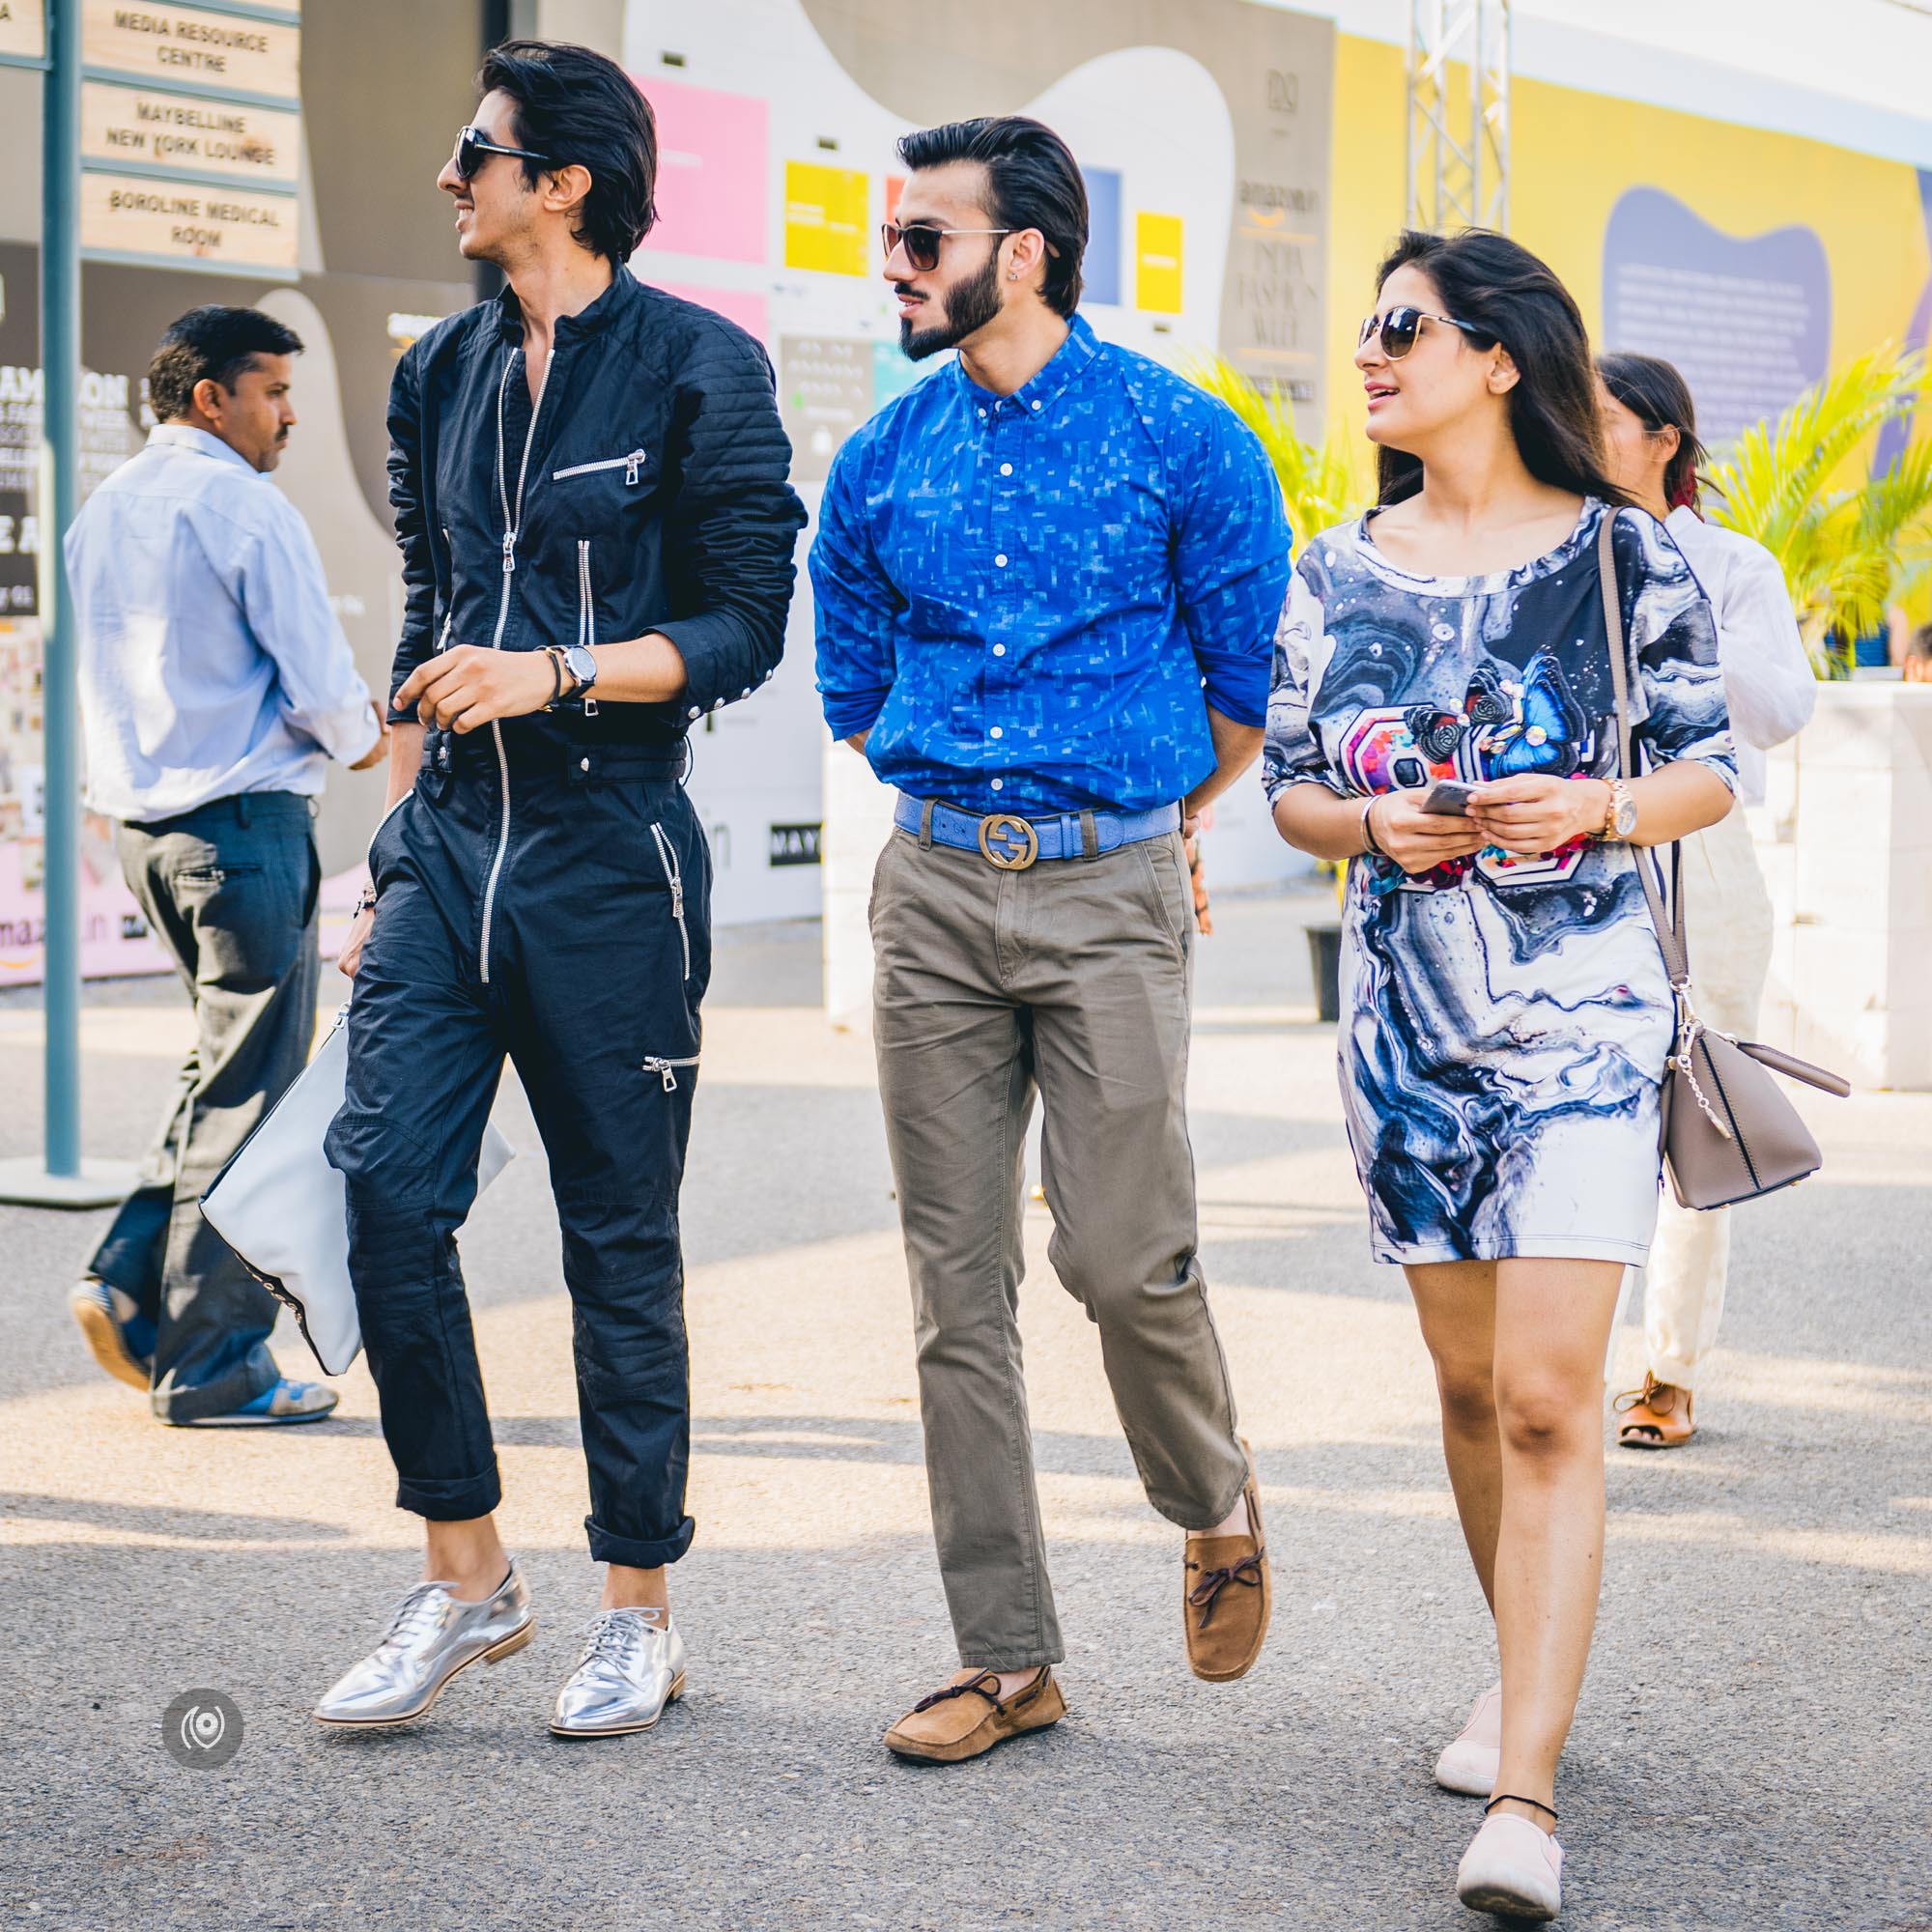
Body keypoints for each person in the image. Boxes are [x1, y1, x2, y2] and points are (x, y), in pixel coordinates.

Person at [310, 41, 804, 1738]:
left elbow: (748, 624)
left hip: (612, 858)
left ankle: (636, 1607)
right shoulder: (435, 372)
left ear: (564, 179)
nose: (451, 178)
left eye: (477, 152)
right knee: (382, 1197)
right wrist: (379, 855)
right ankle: (465, 1578)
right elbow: (429, 612)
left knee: (616, 1242)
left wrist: (563, 673)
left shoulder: (698, 368)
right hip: (446, 851)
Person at [1264, 230, 1736, 1920]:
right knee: (1469, 1398)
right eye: (1371, 326)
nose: (1373, 353)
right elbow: (1298, 794)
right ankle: (1522, 1668)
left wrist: (1597, 804)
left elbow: (1706, 774)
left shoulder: (1621, 558)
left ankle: (1527, 1794)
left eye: (1405, 326)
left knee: (1548, 1397)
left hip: (1586, 1016)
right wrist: (1367, 823)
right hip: (1406, 1028)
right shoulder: (1335, 567)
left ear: (1498, 358)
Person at [811, 115, 1291, 1766]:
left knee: (1122, 1258)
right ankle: (1006, 1659)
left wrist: (1140, 826)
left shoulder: (1187, 440)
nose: (895, 265)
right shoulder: (880, 459)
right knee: (958, 1289)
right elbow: (856, 695)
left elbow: (1244, 690)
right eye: (894, 237)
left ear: (1024, 252)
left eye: (921, 240)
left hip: (1110, 892)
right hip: (933, 887)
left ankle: (1212, 1500)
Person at [67, 305, 386, 1428]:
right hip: (243, 831)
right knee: (249, 1093)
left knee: (219, 1072)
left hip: (150, 835)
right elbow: (319, 688)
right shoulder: (242, 507)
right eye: (273, 392)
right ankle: (216, 1364)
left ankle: (124, 1277)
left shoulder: (105, 507)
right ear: (212, 397)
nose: (290, 414)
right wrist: (369, 735)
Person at [1597, 352, 1816, 1449]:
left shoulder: (1731, 564)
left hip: (1702, 853)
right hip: (1574, 847)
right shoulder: (1547, 553)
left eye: (1601, 420)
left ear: (1663, 439)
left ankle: (1667, 1369)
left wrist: (1675, 634)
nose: (1580, 436)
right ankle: (1548, 1363)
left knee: (1696, 1100)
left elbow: (1781, 706)